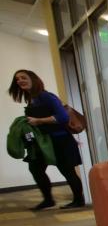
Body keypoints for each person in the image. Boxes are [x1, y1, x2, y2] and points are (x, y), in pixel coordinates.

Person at [8, 70, 85, 210]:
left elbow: (63, 117)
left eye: (23, 77)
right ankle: (48, 200)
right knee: (35, 168)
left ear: (33, 79)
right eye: (17, 79)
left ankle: (79, 200)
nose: (20, 81)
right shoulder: (31, 98)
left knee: (67, 170)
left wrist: (39, 121)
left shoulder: (46, 96)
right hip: (42, 142)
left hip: (60, 140)